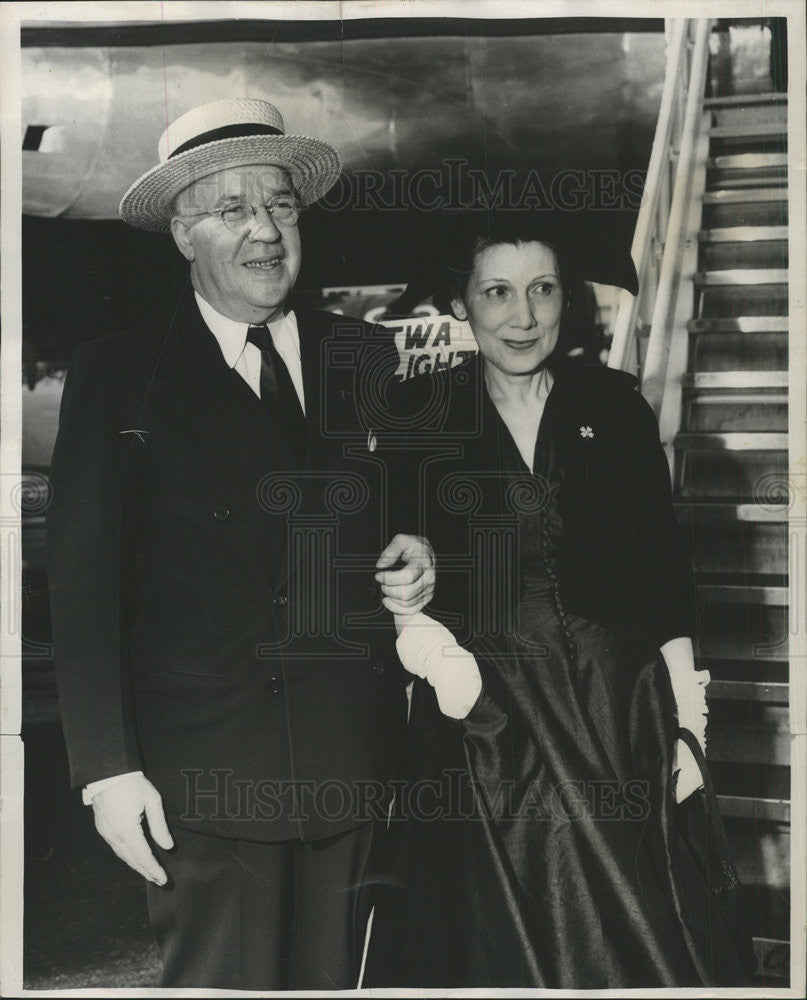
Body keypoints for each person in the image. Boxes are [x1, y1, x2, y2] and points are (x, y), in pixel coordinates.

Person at [46, 98, 435, 990]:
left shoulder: (363, 358)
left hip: (351, 768)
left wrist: (422, 545)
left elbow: (411, 509)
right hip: (206, 782)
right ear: (183, 233)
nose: (265, 233)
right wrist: (108, 770)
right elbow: (84, 588)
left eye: (282, 206)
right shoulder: (119, 374)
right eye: (232, 211)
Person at [365, 212, 747, 988]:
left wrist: (686, 716)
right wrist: (433, 651)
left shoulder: (614, 406)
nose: (522, 315)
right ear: (461, 304)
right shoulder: (418, 413)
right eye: (497, 292)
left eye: (541, 290)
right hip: (486, 718)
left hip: (617, 709)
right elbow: (383, 569)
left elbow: (662, 578)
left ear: (565, 300)